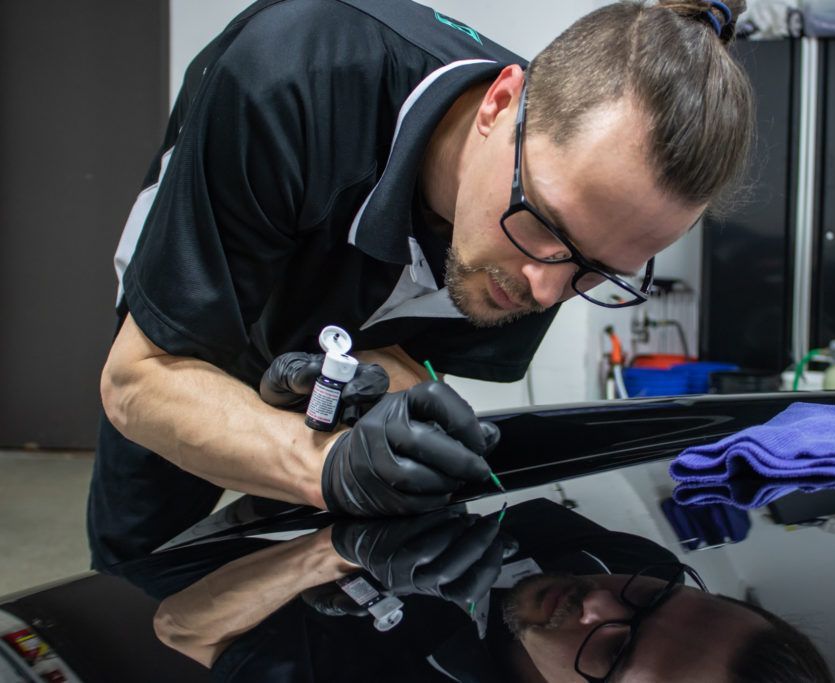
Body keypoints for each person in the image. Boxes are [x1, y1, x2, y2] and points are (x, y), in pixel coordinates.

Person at [90, 0, 754, 571]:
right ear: (499, 103)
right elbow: (138, 380)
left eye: (597, 272)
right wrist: (331, 466)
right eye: (544, 228)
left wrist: (390, 405)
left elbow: (407, 359)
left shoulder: (562, 226)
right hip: (190, 335)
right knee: (144, 566)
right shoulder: (292, 79)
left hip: (331, 343)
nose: (546, 291)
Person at [148, 499, 832, 681]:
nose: (597, 599)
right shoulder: (629, 560)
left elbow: (181, 629)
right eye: (656, 597)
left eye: (616, 654)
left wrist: (331, 553)